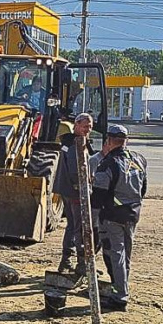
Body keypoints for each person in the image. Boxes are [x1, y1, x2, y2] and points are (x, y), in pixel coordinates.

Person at [91, 124, 148, 312]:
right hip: (133, 214)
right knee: (125, 255)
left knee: (115, 255)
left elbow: (98, 196)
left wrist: (94, 214)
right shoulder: (139, 159)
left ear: (108, 140)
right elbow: (143, 188)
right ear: (126, 140)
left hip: (113, 216)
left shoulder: (108, 163)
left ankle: (119, 296)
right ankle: (122, 288)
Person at [52, 113, 94, 277]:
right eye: (85, 126)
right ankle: (81, 263)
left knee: (71, 226)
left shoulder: (70, 141)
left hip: (66, 189)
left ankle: (66, 261)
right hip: (75, 191)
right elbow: (75, 170)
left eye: (90, 126)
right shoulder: (74, 144)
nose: (88, 129)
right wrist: (83, 188)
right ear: (76, 125)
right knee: (80, 227)